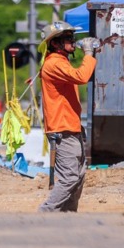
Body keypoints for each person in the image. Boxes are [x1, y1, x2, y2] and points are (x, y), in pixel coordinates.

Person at [37, 21, 98, 212]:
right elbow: (82, 76)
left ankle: (68, 217)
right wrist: (88, 54)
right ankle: (46, 213)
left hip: (71, 127)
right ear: (55, 43)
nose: (73, 41)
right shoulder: (54, 63)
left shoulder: (61, 62)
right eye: (68, 38)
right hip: (62, 129)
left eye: (73, 37)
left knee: (78, 177)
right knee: (70, 177)